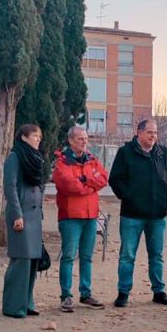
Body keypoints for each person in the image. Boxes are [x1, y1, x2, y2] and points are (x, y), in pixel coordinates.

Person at [108, 119, 167, 308]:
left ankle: (158, 291)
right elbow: (115, 179)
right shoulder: (126, 153)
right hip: (132, 214)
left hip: (157, 215)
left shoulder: (163, 153)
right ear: (139, 132)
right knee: (127, 255)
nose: (153, 136)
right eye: (149, 132)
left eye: (155, 133)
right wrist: (128, 196)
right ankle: (123, 292)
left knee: (157, 255)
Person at [52, 125, 109, 312]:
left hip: (90, 215)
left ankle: (86, 293)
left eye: (85, 138)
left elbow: (103, 178)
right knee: (68, 256)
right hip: (70, 216)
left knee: (87, 256)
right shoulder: (62, 162)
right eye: (80, 139)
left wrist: (85, 182)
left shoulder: (91, 159)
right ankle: (66, 295)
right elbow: (69, 185)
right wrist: (90, 183)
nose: (84, 142)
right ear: (70, 140)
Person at [2, 124, 46, 319]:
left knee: (33, 261)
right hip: (21, 215)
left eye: (39, 136)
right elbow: (10, 187)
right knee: (21, 260)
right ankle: (13, 305)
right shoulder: (15, 157)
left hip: (35, 216)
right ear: (23, 138)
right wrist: (17, 214)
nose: (38, 139)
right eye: (34, 136)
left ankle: (27, 302)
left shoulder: (35, 159)